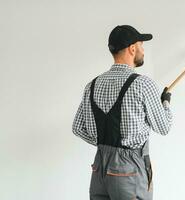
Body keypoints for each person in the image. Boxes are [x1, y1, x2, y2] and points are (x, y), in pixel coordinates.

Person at [72, 25, 173, 200]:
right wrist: (165, 102)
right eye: (141, 45)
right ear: (132, 48)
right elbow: (163, 127)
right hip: (129, 172)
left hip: (99, 171)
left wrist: (105, 145)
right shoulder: (143, 85)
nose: (142, 50)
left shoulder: (92, 85)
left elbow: (78, 128)